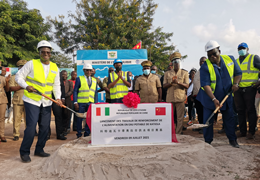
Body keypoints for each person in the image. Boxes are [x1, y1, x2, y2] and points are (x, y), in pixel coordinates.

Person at [15, 40, 63, 162]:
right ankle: (24, 152)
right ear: (39, 52)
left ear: (50, 53)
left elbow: (56, 85)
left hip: (47, 102)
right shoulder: (31, 64)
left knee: (45, 128)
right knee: (31, 127)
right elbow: (18, 77)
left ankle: (39, 149)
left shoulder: (54, 67)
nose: (45, 53)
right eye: (43, 51)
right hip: (32, 100)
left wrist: (58, 98)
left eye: (48, 51)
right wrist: (26, 86)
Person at [196, 40, 242, 148]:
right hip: (209, 98)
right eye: (209, 55)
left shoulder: (230, 59)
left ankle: (232, 139)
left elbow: (238, 73)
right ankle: (208, 142)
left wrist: (236, 83)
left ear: (219, 51)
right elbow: (206, 85)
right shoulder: (205, 67)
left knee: (229, 118)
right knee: (208, 120)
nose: (212, 57)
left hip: (227, 95)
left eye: (214, 53)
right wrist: (213, 99)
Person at [234, 42, 260, 139]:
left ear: (247, 49)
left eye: (243, 48)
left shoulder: (254, 58)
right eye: (239, 48)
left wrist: (259, 82)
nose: (241, 50)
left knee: (250, 110)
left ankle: (251, 132)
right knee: (240, 110)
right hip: (238, 89)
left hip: (250, 88)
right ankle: (242, 131)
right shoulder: (236, 61)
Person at [163, 52, 189, 134]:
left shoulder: (184, 73)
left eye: (178, 61)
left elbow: (187, 85)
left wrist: (178, 83)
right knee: (169, 117)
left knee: (180, 117)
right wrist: (171, 83)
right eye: (175, 62)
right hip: (170, 98)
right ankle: (170, 132)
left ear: (180, 62)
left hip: (180, 98)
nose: (176, 63)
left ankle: (178, 133)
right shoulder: (167, 73)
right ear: (172, 63)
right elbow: (164, 85)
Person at [73, 63, 98, 138]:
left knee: (89, 118)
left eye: (90, 70)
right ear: (84, 70)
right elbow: (75, 91)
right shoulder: (79, 79)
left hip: (90, 103)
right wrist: (75, 102)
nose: (89, 72)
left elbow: (95, 92)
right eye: (87, 70)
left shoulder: (94, 80)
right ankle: (79, 134)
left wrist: (95, 103)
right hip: (81, 103)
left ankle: (87, 134)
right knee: (79, 119)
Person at [9, 60, 27, 141]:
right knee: (16, 118)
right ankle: (16, 134)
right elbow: (11, 88)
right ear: (19, 67)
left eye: (24, 66)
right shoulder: (14, 77)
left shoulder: (29, 77)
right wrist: (22, 86)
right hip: (17, 99)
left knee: (29, 118)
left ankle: (28, 133)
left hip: (28, 99)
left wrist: (21, 86)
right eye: (21, 66)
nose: (22, 68)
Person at [192, 57, 206, 133]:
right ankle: (200, 126)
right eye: (201, 61)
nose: (202, 63)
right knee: (199, 112)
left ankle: (205, 128)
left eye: (204, 61)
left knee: (204, 112)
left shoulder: (208, 71)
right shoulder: (198, 72)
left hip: (204, 95)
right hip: (196, 96)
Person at [52, 72, 67, 140]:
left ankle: (59, 134)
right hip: (46, 99)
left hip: (57, 100)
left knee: (59, 116)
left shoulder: (57, 74)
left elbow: (62, 87)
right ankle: (46, 134)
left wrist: (62, 97)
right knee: (44, 117)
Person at [0, 67, 10, 142]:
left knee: (2, 118)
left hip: (2, 99)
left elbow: (7, 90)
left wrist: (7, 82)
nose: (4, 71)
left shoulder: (4, 78)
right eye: (3, 70)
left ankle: (2, 135)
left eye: (5, 70)